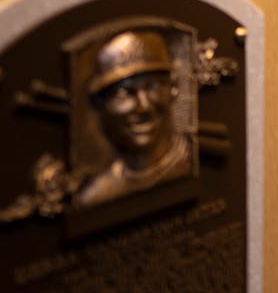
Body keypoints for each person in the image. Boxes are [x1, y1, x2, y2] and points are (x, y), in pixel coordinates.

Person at [74, 28, 192, 209]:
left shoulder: (196, 160)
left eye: (153, 87)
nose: (144, 106)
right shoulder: (98, 195)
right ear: (100, 106)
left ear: (173, 88)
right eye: (124, 94)